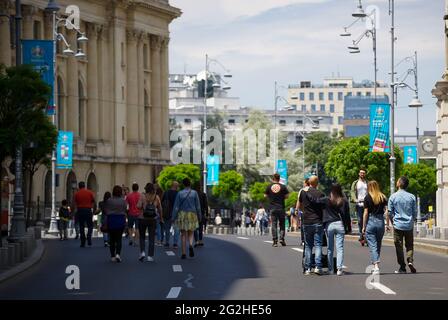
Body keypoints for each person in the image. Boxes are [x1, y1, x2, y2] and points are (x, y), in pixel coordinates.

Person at [306, 184, 352, 276]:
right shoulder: (343, 201)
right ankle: (339, 269)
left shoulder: (327, 199)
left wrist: (307, 192)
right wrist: (348, 228)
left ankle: (330, 269)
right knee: (340, 248)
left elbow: (315, 201)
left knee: (330, 248)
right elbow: (347, 216)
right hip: (340, 225)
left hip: (329, 225)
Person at [388, 176, 417, 274]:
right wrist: (412, 221)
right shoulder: (412, 196)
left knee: (398, 246)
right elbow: (414, 212)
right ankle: (410, 261)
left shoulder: (393, 197)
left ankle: (402, 267)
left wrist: (393, 222)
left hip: (397, 225)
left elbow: (390, 212)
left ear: (399, 184)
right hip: (408, 225)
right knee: (409, 245)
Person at [299, 176, 325, 275]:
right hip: (318, 221)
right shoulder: (321, 194)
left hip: (307, 221)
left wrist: (304, 211)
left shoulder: (303, 192)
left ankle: (308, 268)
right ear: (317, 183)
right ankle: (318, 267)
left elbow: (300, 206)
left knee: (308, 245)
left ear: (309, 182)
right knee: (318, 244)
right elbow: (323, 207)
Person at [362, 180, 388, 275]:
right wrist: (387, 224)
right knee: (378, 244)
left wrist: (363, 226)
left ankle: (376, 266)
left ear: (369, 187)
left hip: (371, 221)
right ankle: (374, 265)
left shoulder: (367, 197)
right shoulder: (383, 197)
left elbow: (365, 213)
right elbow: (387, 212)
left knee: (372, 245)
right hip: (381, 222)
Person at [172, 177, 201, 259]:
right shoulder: (194, 193)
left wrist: (173, 217)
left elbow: (176, 207)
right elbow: (198, 206)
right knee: (191, 232)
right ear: (190, 184)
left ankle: (184, 253)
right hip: (192, 214)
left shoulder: (180, 193)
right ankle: (191, 245)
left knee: (183, 234)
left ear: (183, 184)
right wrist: (200, 216)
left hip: (182, 214)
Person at [137, 183, 162, 262]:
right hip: (152, 219)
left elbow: (138, 206)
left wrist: (142, 207)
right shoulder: (156, 197)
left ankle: (142, 252)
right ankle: (150, 256)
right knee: (151, 237)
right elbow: (160, 208)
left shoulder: (142, 196)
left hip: (142, 218)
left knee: (142, 236)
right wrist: (161, 218)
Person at [264, 173, 290, 247]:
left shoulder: (269, 186)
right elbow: (287, 196)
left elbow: (265, 195)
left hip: (272, 208)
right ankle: (282, 238)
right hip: (281, 208)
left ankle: (275, 241)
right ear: (279, 179)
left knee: (274, 225)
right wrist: (281, 197)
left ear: (273, 178)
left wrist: (271, 197)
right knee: (282, 224)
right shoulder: (283, 187)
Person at [104, 186, 127, 262]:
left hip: (111, 220)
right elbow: (125, 209)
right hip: (120, 219)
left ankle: (112, 256)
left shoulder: (109, 200)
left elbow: (106, 211)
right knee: (119, 238)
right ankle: (118, 254)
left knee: (112, 239)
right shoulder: (123, 201)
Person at [74, 181, 96, 247]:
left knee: (81, 226)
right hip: (88, 210)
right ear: (84, 186)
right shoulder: (89, 192)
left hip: (80, 210)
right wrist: (94, 209)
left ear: (79, 186)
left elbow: (74, 203)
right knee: (90, 225)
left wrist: (73, 211)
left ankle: (82, 242)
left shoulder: (76, 194)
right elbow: (93, 201)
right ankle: (89, 236)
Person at [351, 169, 368, 242]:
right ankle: (361, 234)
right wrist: (355, 199)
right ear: (359, 174)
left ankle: (367, 234)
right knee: (360, 220)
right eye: (361, 173)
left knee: (367, 220)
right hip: (359, 204)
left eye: (363, 173)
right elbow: (352, 192)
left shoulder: (367, 183)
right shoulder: (355, 183)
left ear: (365, 174)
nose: (362, 174)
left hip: (367, 204)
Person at [161, 181, 180, 249]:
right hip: (176, 213)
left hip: (167, 212)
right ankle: (175, 243)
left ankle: (167, 242)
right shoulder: (179, 194)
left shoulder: (166, 192)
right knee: (176, 229)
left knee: (167, 228)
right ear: (176, 186)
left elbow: (161, 202)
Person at [296, 179, 310, 246]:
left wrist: (296, 209)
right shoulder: (313, 190)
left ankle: (303, 240)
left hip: (303, 211)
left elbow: (299, 201)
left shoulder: (302, 191)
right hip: (312, 212)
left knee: (303, 226)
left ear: (306, 183)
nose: (303, 184)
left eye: (303, 183)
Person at [194, 182, 208, 247]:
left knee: (194, 228)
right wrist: (207, 213)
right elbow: (206, 204)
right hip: (201, 213)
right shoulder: (203, 194)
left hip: (194, 213)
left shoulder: (193, 194)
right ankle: (200, 240)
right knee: (200, 227)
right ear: (201, 187)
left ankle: (196, 241)